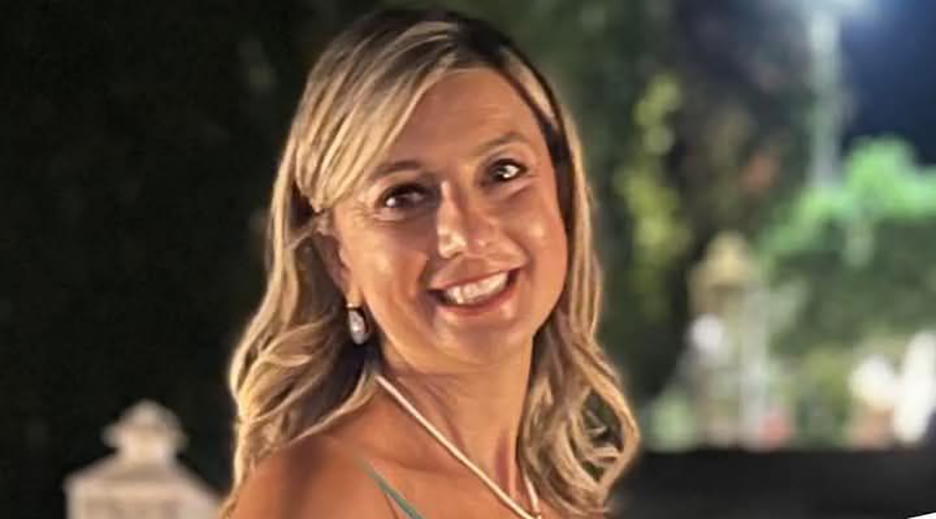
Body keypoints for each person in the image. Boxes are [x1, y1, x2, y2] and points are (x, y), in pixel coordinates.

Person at [222, 8, 639, 519]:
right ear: (339, 259)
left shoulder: (551, 503)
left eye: (503, 172)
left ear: (564, 196)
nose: (466, 235)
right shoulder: (323, 493)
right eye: (403, 196)